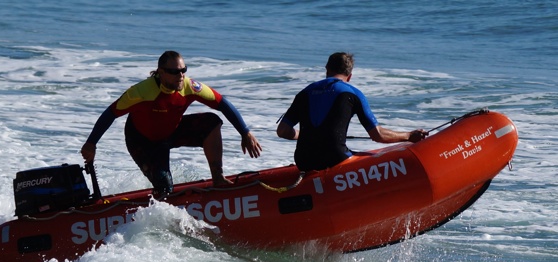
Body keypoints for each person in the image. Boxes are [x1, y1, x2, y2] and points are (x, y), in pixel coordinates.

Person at [81, 50, 262, 197]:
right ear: (160, 72)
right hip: (143, 142)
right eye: (174, 72)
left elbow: (222, 103)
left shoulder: (189, 87)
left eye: (183, 70)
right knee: (165, 190)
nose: (180, 75)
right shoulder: (141, 92)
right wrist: (91, 143)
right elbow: (110, 113)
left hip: (171, 131)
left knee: (211, 122)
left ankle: (218, 178)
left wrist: (245, 132)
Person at [276, 52, 427, 171]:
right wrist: (409, 135)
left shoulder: (305, 93)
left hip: (304, 161)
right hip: (335, 159)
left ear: (327, 70)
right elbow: (377, 135)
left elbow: (282, 130)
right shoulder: (352, 93)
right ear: (350, 75)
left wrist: (304, 135)